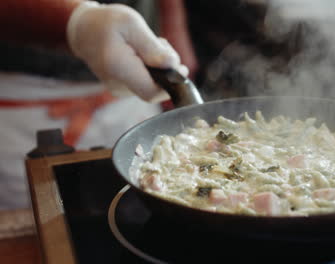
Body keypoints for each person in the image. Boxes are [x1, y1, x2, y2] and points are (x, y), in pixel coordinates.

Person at [0, 0, 197, 210]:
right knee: (32, 220)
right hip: (25, 104)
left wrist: (172, 22)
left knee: (133, 207)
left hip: (133, 81)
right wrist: (78, 22)